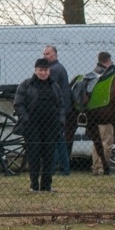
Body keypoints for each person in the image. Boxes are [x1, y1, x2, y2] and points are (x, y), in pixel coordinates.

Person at [13, 58, 67, 192]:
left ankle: (46, 186)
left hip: (51, 126)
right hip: (33, 127)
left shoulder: (55, 86)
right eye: (41, 70)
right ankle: (34, 185)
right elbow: (18, 104)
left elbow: (61, 105)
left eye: (46, 70)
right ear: (35, 70)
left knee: (49, 156)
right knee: (34, 156)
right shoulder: (26, 85)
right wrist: (26, 119)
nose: (43, 73)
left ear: (49, 71)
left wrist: (60, 121)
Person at [84, 52, 115, 175]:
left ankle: (96, 167)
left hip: (93, 116)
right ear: (108, 60)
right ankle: (103, 167)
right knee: (107, 142)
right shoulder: (107, 77)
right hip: (105, 115)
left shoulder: (93, 75)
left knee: (96, 142)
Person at [43, 45, 72, 176]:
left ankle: (52, 167)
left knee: (54, 140)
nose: (45, 56)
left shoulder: (54, 70)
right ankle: (64, 168)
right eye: (44, 53)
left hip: (55, 110)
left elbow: (50, 90)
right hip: (61, 109)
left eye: (47, 54)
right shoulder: (60, 68)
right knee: (59, 140)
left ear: (54, 55)